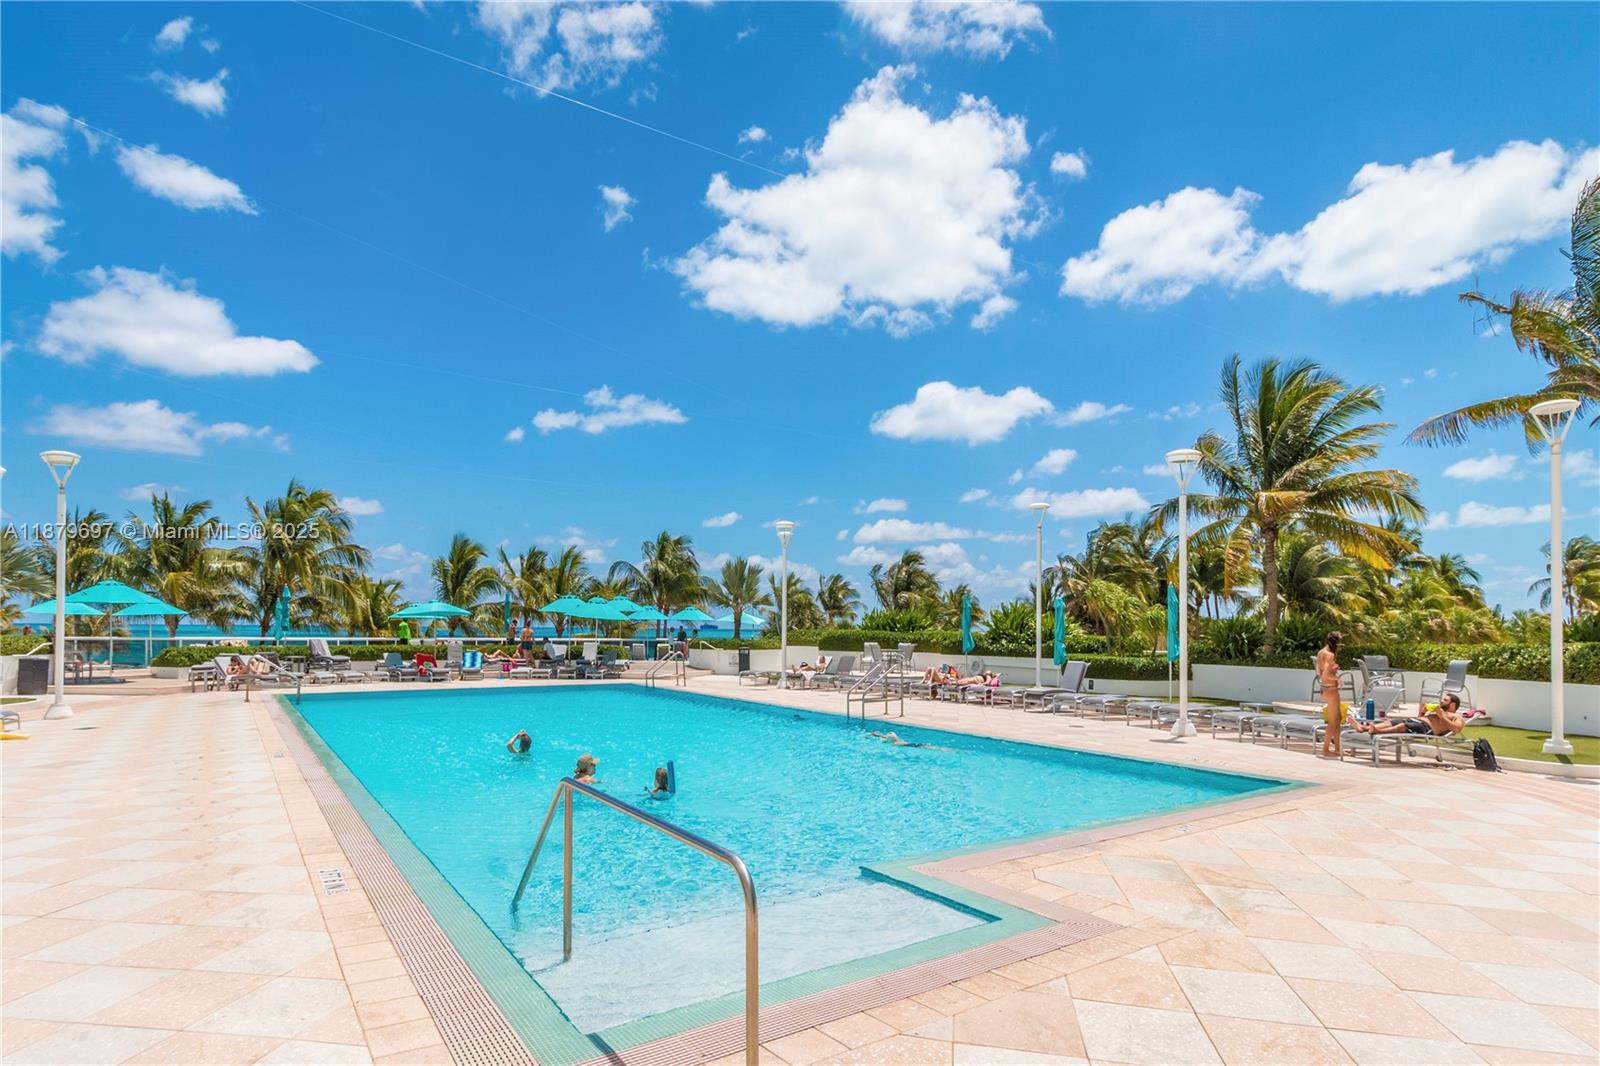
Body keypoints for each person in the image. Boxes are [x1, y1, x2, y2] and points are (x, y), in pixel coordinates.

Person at [1351, 692, 1467, 737]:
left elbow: (1456, 729)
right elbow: (1420, 717)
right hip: (1417, 722)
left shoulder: (1457, 717)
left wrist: (1442, 716)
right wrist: (1422, 711)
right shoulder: (1439, 710)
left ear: (1452, 705)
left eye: (1445, 700)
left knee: (1403, 726)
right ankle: (1363, 728)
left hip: (1427, 729)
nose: (1441, 701)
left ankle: (1377, 731)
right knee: (1389, 722)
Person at [1316, 632, 1344, 758]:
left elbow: (1319, 672)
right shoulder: (1330, 655)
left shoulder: (1321, 653)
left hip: (1325, 688)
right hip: (1331, 689)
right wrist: (1338, 679)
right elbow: (1326, 674)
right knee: (1333, 721)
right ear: (1336, 643)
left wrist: (1333, 670)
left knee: (1337, 718)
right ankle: (1325, 749)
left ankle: (1338, 748)